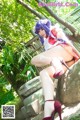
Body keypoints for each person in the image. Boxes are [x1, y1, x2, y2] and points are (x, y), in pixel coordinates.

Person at [31, 19, 80, 120]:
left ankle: (53, 61)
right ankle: (49, 107)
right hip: (64, 63)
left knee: (34, 60)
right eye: (38, 32)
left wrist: (78, 55)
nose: (40, 33)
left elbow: (67, 42)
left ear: (45, 27)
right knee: (43, 73)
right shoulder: (45, 42)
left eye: (41, 30)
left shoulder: (54, 29)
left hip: (66, 51)